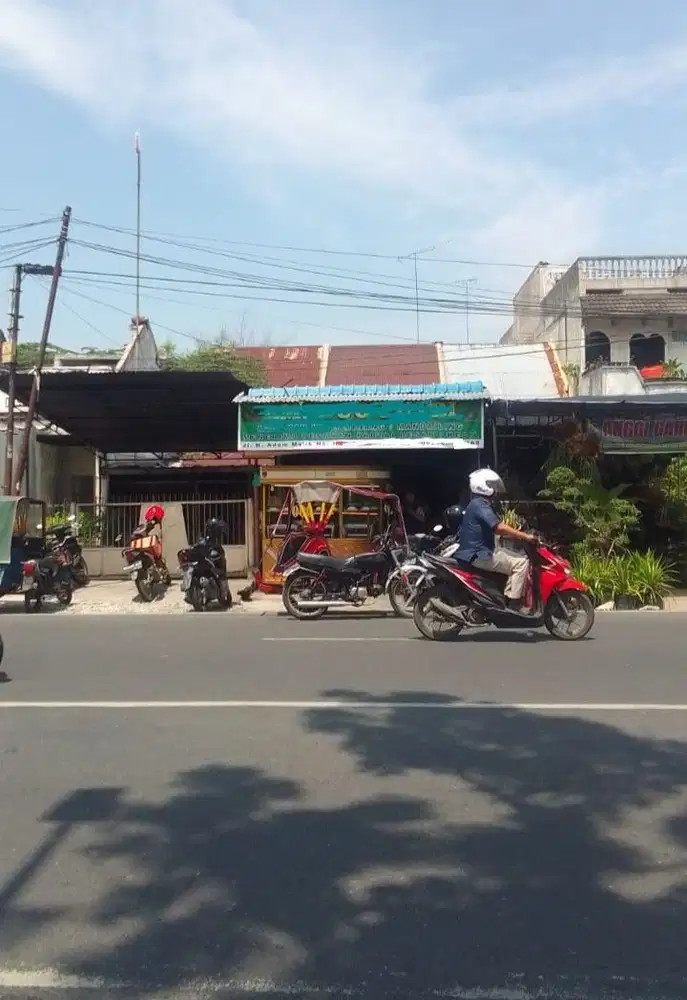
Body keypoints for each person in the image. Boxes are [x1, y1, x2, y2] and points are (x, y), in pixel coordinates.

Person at [455, 468, 537, 612]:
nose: (495, 489)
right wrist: (525, 536)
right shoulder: (480, 505)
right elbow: (498, 527)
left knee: (509, 555)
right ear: (483, 486)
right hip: (480, 554)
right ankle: (513, 602)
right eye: (491, 485)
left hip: (478, 551)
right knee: (521, 562)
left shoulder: (477, 504)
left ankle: (504, 596)